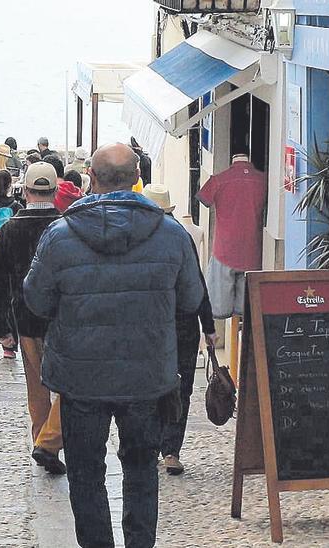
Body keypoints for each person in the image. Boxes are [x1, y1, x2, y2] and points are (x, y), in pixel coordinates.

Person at [24, 143, 206, 548]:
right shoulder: (172, 234)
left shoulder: (60, 236)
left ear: (91, 176)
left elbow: (36, 301)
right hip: (147, 376)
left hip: (80, 377)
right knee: (141, 470)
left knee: (86, 474)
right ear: (137, 177)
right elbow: (191, 300)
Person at [0, 163, 66, 475]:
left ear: (25, 191)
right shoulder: (65, 226)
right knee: (67, 387)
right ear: (55, 192)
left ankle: (42, 440)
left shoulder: (8, 231)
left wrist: (1, 328)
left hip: (26, 318)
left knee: (37, 388)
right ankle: (49, 442)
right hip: (62, 319)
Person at [145, 183, 219, 476]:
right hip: (183, 324)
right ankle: (170, 450)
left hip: (154, 324)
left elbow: (195, 283)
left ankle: (157, 448)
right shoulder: (180, 236)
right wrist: (209, 326)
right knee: (180, 388)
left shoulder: (144, 237)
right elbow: (197, 284)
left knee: (153, 386)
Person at [196, 154, 267, 319]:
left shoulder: (219, 180)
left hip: (224, 250)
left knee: (219, 310)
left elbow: (203, 199)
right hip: (253, 252)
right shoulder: (264, 180)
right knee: (247, 311)